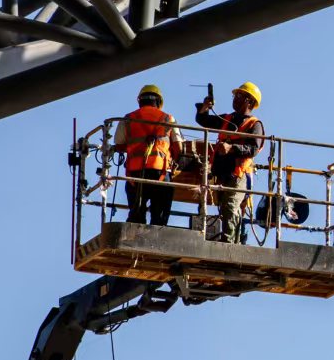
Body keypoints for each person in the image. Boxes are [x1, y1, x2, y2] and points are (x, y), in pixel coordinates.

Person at [196, 80, 264, 243]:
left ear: (250, 101)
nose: (235, 98)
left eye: (240, 95)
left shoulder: (254, 124)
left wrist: (231, 148)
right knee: (225, 208)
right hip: (222, 172)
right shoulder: (227, 119)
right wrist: (205, 107)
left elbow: (253, 149)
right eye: (235, 95)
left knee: (231, 206)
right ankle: (232, 241)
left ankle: (228, 243)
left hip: (239, 174)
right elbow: (203, 120)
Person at [113, 84, 182, 226]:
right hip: (161, 174)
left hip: (135, 175)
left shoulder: (128, 119)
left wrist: (135, 148)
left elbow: (119, 145)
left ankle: (135, 235)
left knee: (136, 218)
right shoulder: (168, 118)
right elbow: (179, 148)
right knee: (159, 220)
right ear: (159, 101)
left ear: (140, 101)